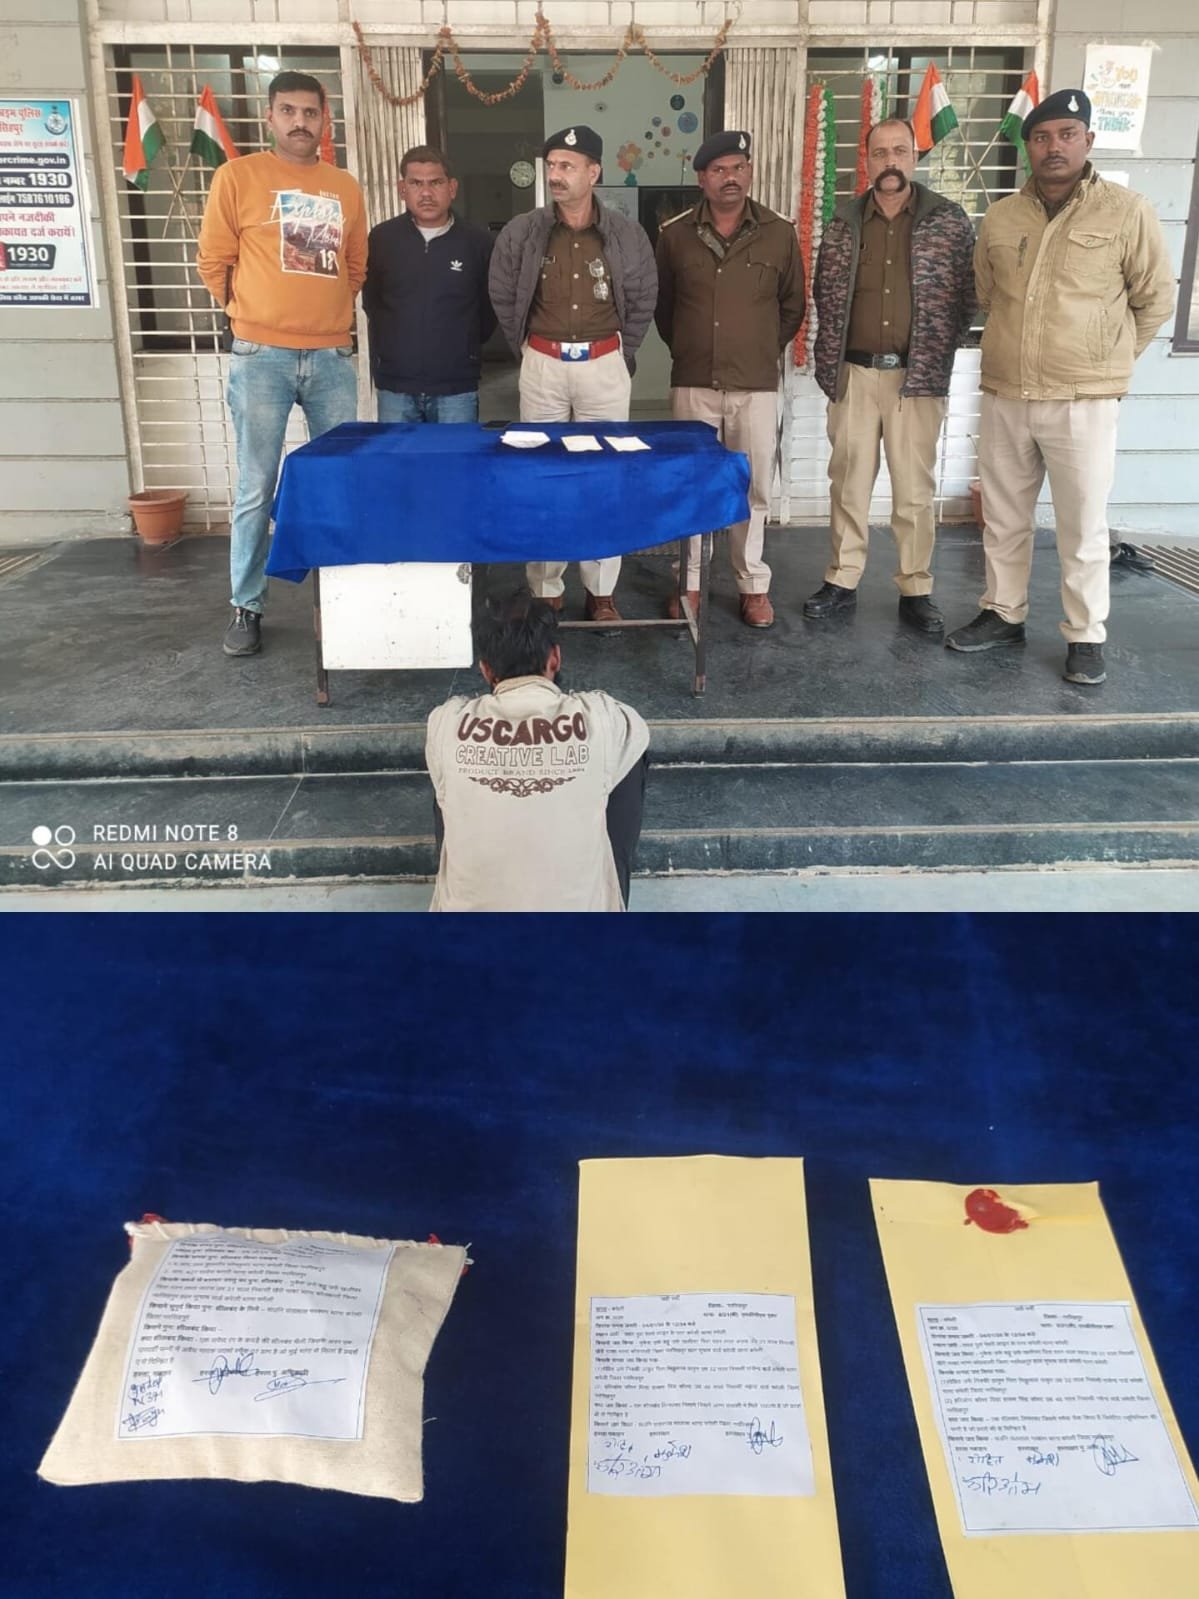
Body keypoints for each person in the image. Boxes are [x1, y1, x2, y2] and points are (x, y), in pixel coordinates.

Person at [946, 88, 1175, 685]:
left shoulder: (1126, 212)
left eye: (1067, 135)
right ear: (1028, 147)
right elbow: (988, 293)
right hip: (1006, 392)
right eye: (1042, 137)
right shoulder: (1002, 217)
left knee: (1081, 524)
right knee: (1004, 517)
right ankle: (1003, 612)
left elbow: (1155, 299)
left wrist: (1106, 359)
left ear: (1088, 141)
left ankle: (1085, 633)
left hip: (1083, 399)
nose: (1054, 147)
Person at [197, 71, 366, 658]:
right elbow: (214, 261)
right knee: (256, 485)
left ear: (325, 120)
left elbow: (355, 266)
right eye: (289, 111)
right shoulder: (237, 177)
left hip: (331, 357)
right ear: (270, 117)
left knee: (337, 480)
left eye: (310, 113)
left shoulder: (344, 186)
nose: (300, 122)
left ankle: (344, 599)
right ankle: (246, 605)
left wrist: (322, 317)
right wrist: (252, 317)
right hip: (260, 357)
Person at [805, 118, 975, 634]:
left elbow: (967, 297)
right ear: (867, 160)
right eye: (880, 153)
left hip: (915, 378)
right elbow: (824, 292)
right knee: (848, 483)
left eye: (900, 151)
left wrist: (933, 350)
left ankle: (915, 587)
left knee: (914, 490)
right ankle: (842, 578)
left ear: (914, 157)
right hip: (854, 374)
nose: (890, 162)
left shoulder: (948, 221)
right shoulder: (844, 222)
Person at [488, 127, 657, 623]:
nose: (556, 175)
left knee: (605, 476)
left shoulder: (626, 233)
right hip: (543, 364)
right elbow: (502, 292)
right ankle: (545, 587)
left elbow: (643, 296)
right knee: (541, 474)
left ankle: (601, 591)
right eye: (552, 166)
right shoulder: (523, 231)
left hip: (604, 365)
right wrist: (527, 349)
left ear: (594, 172)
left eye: (567, 166)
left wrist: (621, 352)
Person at [653, 131, 805, 629]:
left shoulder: (779, 233)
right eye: (719, 170)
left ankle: (752, 584)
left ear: (750, 172)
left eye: (738, 167)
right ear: (702, 178)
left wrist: (756, 349)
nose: (730, 178)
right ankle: (690, 580)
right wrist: (692, 348)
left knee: (752, 486)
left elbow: (792, 306)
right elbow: (663, 309)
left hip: (755, 384)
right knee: (691, 484)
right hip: (694, 380)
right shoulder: (675, 235)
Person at [425, 590, 650, 912]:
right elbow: (637, 734)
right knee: (623, 752)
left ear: (485, 669)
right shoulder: (604, 717)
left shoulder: (447, 721)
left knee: (448, 767)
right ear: (555, 658)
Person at [362, 145, 496, 423]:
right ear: (402, 189)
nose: (426, 193)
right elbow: (372, 302)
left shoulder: (477, 242)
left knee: (455, 453)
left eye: (435, 183)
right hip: (395, 385)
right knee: (397, 454)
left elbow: (488, 309)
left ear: (452, 188)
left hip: (456, 386)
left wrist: (463, 349)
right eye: (416, 183)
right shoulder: (382, 239)